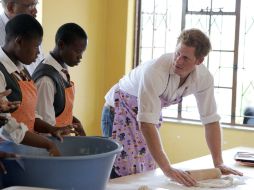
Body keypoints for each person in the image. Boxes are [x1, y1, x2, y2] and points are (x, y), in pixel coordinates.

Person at [101, 28, 243, 186]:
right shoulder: (155, 71)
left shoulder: (204, 79)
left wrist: (218, 162)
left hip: (146, 115)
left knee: (144, 173)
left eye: (185, 58)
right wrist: (168, 169)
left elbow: (211, 120)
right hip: (118, 112)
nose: (178, 61)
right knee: (124, 173)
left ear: (199, 61)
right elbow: (147, 124)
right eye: (177, 54)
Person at [0, 14, 74, 147]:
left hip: (26, 148)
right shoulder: (1, 72)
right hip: (7, 151)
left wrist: (51, 129)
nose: (39, 53)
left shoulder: (22, 70)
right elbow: (6, 126)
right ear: (19, 41)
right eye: (36, 46)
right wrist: (47, 144)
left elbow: (30, 115)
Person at [32, 23, 87, 136]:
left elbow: (59, 109)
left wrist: (75, 122)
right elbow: (45, 128)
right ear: (61, 45)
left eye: (82, 52)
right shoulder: (46, 80)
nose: (80, 57)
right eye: (77, 52)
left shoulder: (61, 69)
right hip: (51, 145)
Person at [0, 89, 60, 173]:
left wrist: (50, 129)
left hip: (25, 141)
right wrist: (49, 144)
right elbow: (8, 127)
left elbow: (31, 113)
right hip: (10, 143)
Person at [0, 0, 43, 75]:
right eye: (30, 6)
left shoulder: (31, 29)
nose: (35, 11)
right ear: (11, 7)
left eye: (36, 5)